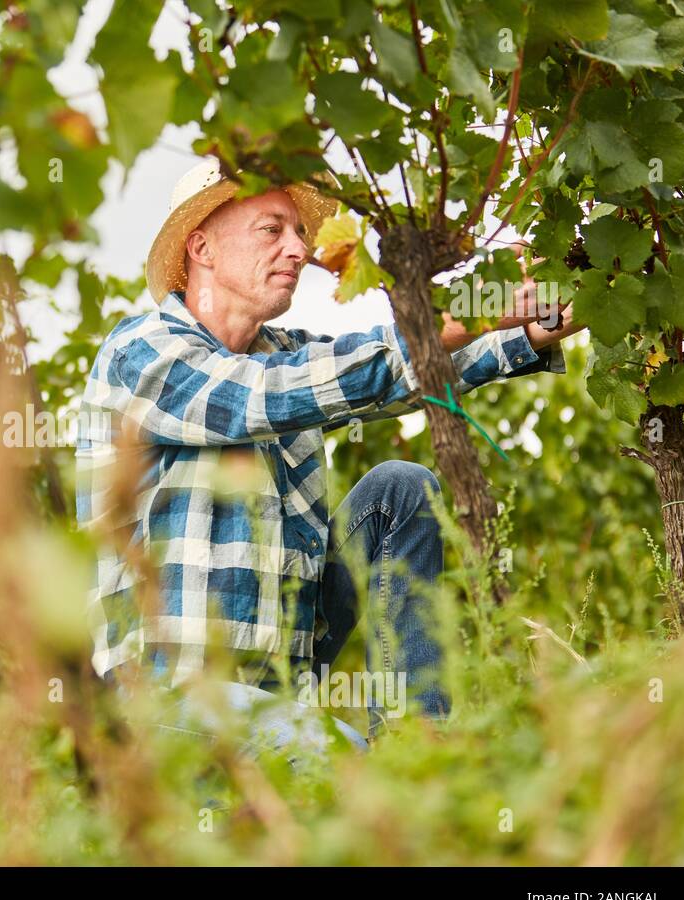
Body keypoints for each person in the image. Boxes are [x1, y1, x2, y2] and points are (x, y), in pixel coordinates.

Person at [75, 156, 580, 750]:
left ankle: (417, 741)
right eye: (273, 229)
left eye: (300, 233)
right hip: (170, 696)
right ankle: (393, 785)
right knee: (348, 771)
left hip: (279, 693)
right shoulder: (141, 351)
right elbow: (265, 395)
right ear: (202, 248)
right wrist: (478, 308)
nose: (298, 249)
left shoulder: (283, 352)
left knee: (400, 489)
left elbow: (396, 369)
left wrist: (529, 332)